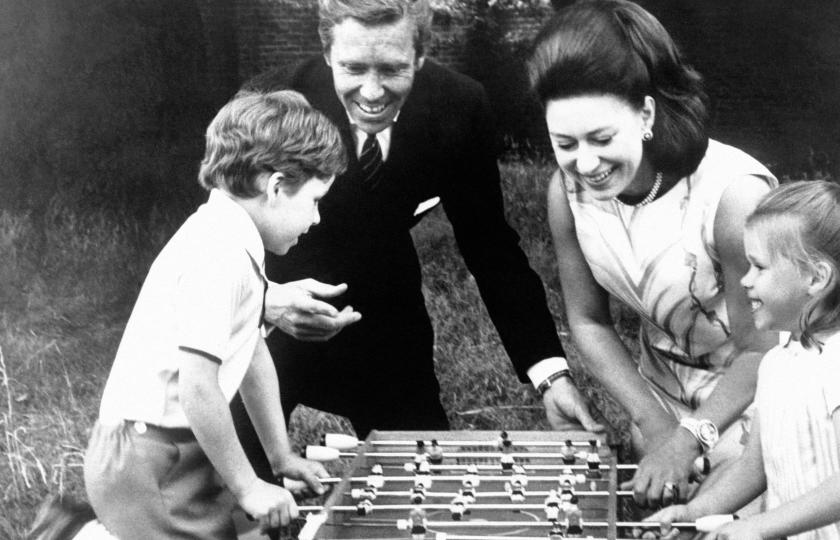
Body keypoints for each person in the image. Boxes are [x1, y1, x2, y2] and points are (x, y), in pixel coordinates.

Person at [232, 0, 602, 486]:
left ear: (421, 56)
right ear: (327, 52)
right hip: (267, 329)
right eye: (353, 68)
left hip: (387, 324)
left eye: (391, 69)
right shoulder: (271, 100)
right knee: (226, 494)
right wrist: (265, 303)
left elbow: (490, 246)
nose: (371, 90)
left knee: (426, 490)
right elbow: (214, 240)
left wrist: (550, 375)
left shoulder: (459, 104)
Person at [525, 0, 780, 508]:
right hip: (661, 389)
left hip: (757, 389)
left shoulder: (732, 198)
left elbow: (762, 349)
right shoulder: (566, 193)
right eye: (565, 143)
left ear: (645, 113)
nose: (586, 163)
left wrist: (690, 439)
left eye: (601, 138)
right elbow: (589, 322)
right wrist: (658, 425)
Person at [82, 90, 345, 538]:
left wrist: (279, 457)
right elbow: (198, 385)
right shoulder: (217, 254)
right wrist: (247, 487)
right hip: (147, 460)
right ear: (276, 187)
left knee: (242, 531)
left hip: (180, 447)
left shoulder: (236, 236)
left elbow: (252, 356)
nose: (318, 219)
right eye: (316, 200)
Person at [648, 173, 840, 539]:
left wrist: (759, 527)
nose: (745, 280)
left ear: (815, 278)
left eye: (759, 267)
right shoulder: (778, 361)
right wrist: (693, 513)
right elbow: (755, 466)